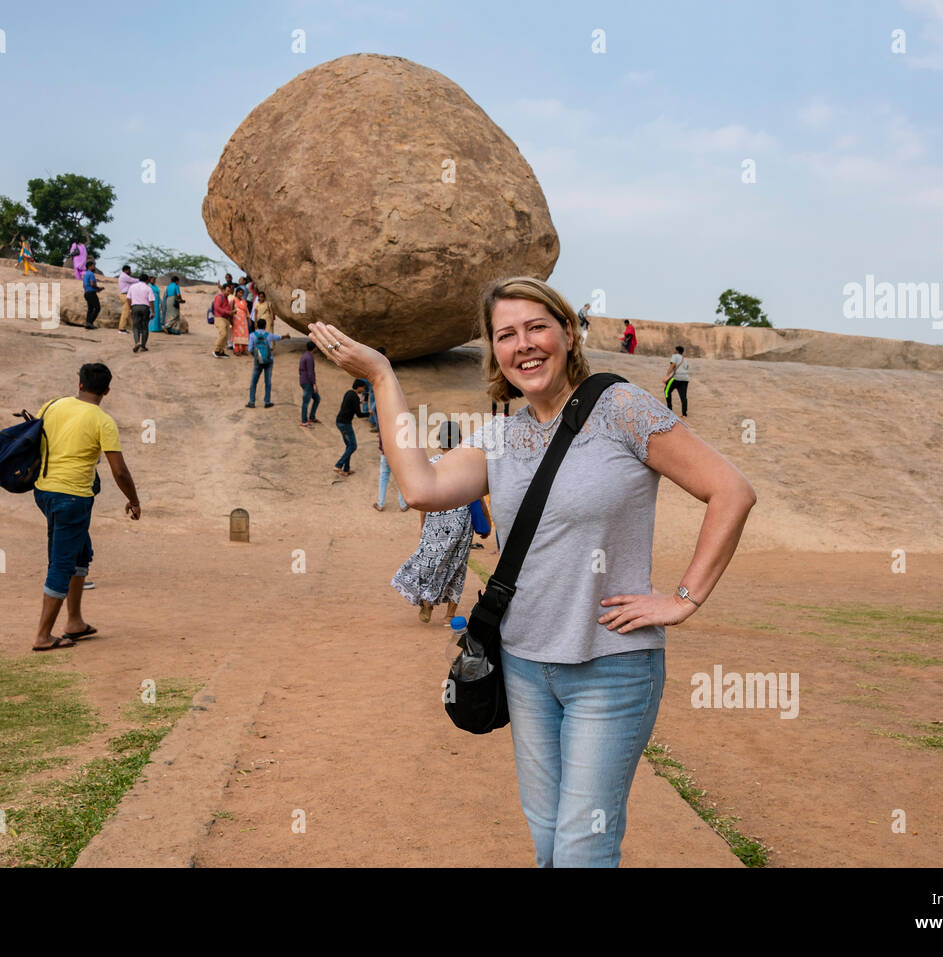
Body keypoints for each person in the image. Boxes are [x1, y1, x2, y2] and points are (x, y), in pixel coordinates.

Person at [308, 275, 756, 867]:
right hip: (523, 666)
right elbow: (419, 487)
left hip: (611, 668)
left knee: (583, 848)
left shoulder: (621, 408)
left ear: (568, 333)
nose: (524, 344)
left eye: (537, 327)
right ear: (495, 351)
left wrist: (682, 598)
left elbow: (731, 490)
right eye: (506, 334)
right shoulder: (503, 435)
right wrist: (382, 375)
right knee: (547, 838)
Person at [30, 362, 140, 651]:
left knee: (80, 552)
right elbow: (120, 472)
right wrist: (134, 500)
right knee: (63, 562)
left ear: (79, 384)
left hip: (44, 491)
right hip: (73, 497)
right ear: (106, 390)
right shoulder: (102, 421)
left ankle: (75, 622)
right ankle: (43, 636)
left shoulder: (51, 406)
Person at [390, 421, 475, 624]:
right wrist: (486, 523)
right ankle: (450, 614)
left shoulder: (433, 464)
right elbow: (477, 497)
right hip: (461, 522)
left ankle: (427, 600)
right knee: (457, 565)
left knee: (430, 562)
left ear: (438, 441)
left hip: (435, 522)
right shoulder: (466, 463)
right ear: (460, 440)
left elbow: (424, 499)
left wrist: (423, 525)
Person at [247, 317, 289, 408]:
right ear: (265, 326)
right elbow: (278, 337)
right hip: (269, 360)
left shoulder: (252, 335)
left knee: (254, 382)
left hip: (258, 361)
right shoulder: (268, 335)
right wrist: (286, 336)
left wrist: (256, 356)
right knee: (268, 382)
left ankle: (251, 402)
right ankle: (267, 402)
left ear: (257, 326)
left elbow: (249, 349)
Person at [374, 415, 408, 512]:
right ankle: (403, 504)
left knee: (383, 478)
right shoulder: (399, 428)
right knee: (401, 479)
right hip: (397, 456)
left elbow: (381, 444)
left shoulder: (382, 426)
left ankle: (380, 503)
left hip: (385, 455)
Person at [334, 378, 366, 474]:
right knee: (353, 446)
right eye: (363, 388)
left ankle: (346, 469)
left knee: (349, 446)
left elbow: (350, 403)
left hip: (339, 421)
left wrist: (359, 402)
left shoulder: (348, 393)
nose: (363, 390)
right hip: (345, 424)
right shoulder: (355, 397)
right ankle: (338, 465)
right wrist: (370, 413)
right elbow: (359, 414)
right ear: (359, 387)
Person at [127, 274, 155, 352]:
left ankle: (137, 342)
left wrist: (130, 308)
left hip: (135, 307)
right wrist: (153, 311)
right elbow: (151, 301)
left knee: (135, 326)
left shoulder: (132, 287)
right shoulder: (148, 288)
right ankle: (143, 346)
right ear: (146, 280)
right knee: (145, 327)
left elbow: (128, 298)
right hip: (145, 308)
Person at [299, 340, 321, 429]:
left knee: (317, 398)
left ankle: (312, 417)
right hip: (308, 382)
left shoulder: (305, 356)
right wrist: (314, 384)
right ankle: (304, 421)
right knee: (306, 402)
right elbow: (310, 372)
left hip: (304, 381)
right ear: (314, 348)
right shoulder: (309, 358)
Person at [663, 345, 690, 417]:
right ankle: (684, 414)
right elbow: (687, 368)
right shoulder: (684, 359)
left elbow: (672, 366)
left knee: (666, 391)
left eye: (675, 350)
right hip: (685, 379)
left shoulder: (675, 356)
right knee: (683, 396)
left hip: (676, 378)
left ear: (677, 351)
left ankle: (669, 409)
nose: (674, 351)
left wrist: (667, 376)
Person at [211, 283, 233, 358]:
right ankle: (216, 350)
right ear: (223, 290)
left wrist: (230, 313)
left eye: (229, 291)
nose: (229, 292)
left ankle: (221, 351)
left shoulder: (226, 298)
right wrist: (228, 312)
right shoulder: (219, 297)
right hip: (219, 318)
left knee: (226, 336)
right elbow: (217, 308)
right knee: (223, 334)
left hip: (225, 319)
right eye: (227, 291)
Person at [117, 265, 140, 334]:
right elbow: (133, 280)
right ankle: (121, 328)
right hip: (126, 295)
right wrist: (141, 279)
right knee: (125, 312)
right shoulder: (124, 276)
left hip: (127, 295)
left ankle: (134, 328)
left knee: (129, 313)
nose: (130, 271)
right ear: (126, 270)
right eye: (129, 270)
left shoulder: (124, 276)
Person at [82, 260, 103, 329]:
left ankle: (87, 323)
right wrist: (98, 288)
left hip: (86, 293)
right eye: (93, 266)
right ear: (89, 266)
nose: (94, 267)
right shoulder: (91, 274)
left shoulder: (85, 274)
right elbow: (92, 284)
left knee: (90, 308)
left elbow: (84, 285)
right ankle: (90, 323)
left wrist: (95, 289)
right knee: (97, 308)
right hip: (91, 293)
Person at [232, 287, 250, 355]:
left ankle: (243, 350)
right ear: (236, 293)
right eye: (239, 292)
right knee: (236, 334)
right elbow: (231, 309)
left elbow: (247, 311)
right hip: (236, 319)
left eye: (242, 293)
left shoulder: (244, 301)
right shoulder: (233, 300)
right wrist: (231, 319)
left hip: (243, 321)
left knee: (244, 335)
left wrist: (248, 319)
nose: (241, 294)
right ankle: (236, 350)